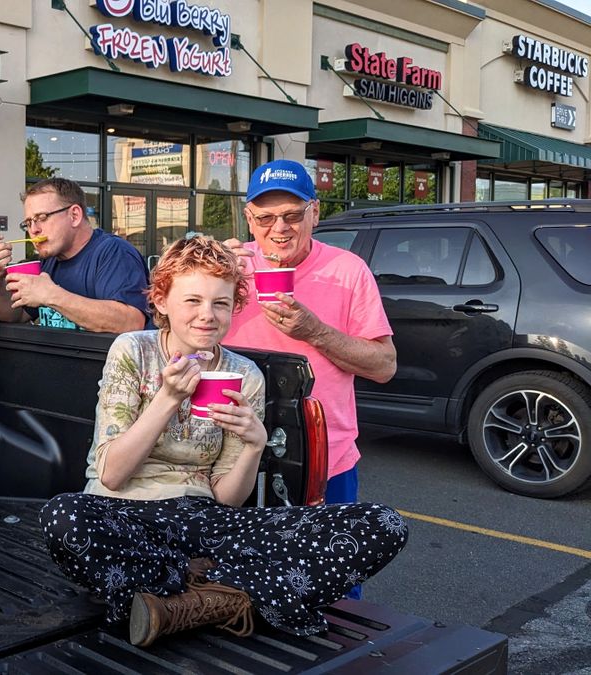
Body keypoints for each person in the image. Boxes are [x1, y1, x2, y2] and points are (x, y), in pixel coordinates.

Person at [40, 235, 407, 647]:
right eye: (192, 301)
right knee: (63, 517)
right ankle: (234, 594)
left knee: (381, 523)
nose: (206, 316)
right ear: (161, 301)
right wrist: (167, 399)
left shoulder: (243, 373)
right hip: (125, 515)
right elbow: (113, 474)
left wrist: (253, 445)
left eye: (220, 303)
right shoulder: (133, 350)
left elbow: (227, 500)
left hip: (205, 521)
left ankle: (179, 598)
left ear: (235, 306)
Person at [222, 159, 396, 508]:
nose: (279, 228)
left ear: (314, 213)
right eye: (265, 218)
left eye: (293, 215)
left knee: (326, 559)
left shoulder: (348, 270)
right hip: (228, 454)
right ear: (249, 218)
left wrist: (315, 332)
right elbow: (174, 332)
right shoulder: (230, 264)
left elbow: (384, 366)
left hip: (323, 458)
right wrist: (210, 271)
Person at [0, 178, 149, 333]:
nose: (34, 230)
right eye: (28, 223)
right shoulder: (48, 260)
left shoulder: (113, 252)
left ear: (74, 215)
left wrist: (52, 295)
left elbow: (132, 322)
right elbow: (12, 316)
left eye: (42, 217)